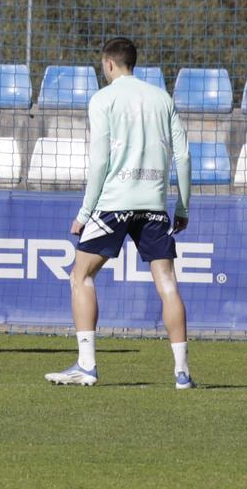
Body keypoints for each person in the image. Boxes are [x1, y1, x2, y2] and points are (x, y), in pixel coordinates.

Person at [47, 37, 194, 389]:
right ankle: (182, 372)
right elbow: (184, 157)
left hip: (114, 203)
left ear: (109, 64)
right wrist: (183, 205)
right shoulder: (162, 99)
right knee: (168, 285)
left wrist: (85, 212)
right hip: (154, 204)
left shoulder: (103, 99)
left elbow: (100, 160)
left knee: (80, 276)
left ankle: (86, 365)